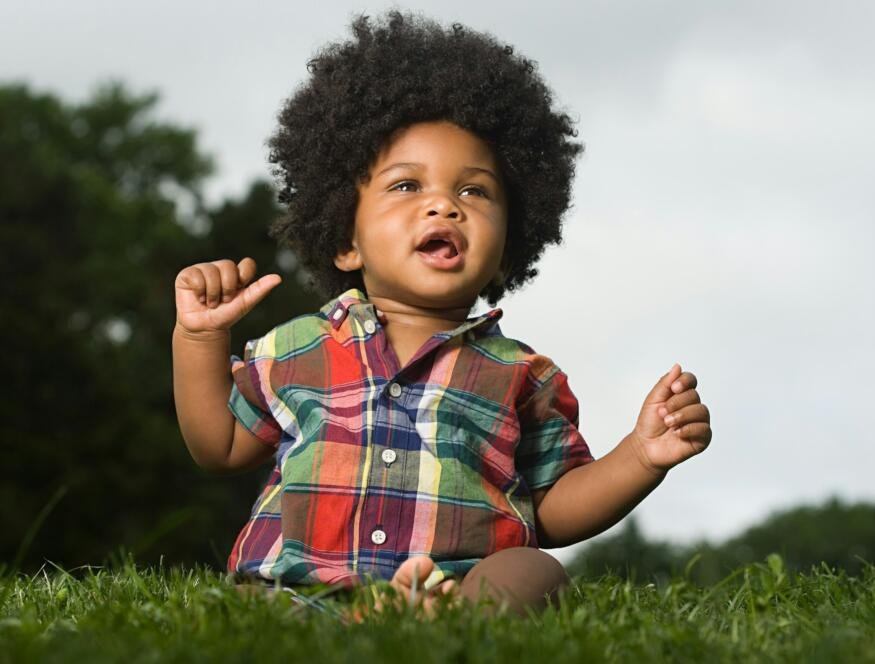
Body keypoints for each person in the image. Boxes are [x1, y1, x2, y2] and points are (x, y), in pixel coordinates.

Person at [172, 11, 712, 618]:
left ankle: (447, 621)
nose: (443, 206)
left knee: (535, 569)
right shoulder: (297, 346)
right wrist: (199, 338)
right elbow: (217, 446)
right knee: (262, 610)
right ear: (346, 239)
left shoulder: (523, 375)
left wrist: (639, 456)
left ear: (506, 249)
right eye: (406, 186)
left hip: (456, 589)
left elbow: (553, 508)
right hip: (301, 591)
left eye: (473, 191)